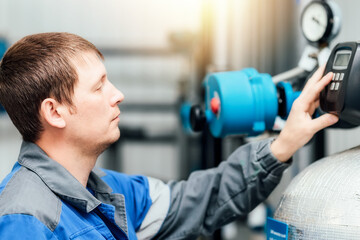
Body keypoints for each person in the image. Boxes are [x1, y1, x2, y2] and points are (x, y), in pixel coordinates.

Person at [0, 32, 338, 239]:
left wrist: (283, 145)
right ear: (54, 112)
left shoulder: (112, 194)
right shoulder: (25, 219)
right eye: (99, 86)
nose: (117, 95)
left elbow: (199, 199)